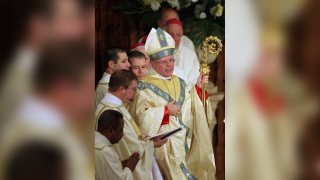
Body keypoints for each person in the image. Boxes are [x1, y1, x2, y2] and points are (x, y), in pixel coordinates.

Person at [129, 27, 216, 180]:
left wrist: (198, 89)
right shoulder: (143, 87)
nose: (169, 65)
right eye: (164, 62)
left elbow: (190, 111)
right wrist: (165, 111)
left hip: (184, 147)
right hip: (161, 151)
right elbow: (139, 118)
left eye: (171, 60)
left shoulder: (181, 83)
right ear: (153, 64)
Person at [95, 69, 168, 180]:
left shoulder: (112, 105)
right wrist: (151, 144)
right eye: (134, 89)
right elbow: (129, 147)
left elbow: (129, 139)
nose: (136, 92)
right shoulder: (112, 111)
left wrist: (146, 141)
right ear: (122, 89)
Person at [95, 109, 140, 180]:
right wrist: (129, 168)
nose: (122, 133)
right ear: (111, 130)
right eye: (121, 130)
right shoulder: (105, 152)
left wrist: (120, 166)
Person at [163, 18, 200, 90]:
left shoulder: (190, 55)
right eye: (170, 34)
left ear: (181, 36)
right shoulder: (155, 53)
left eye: (177, 35)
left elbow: (196, 81)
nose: (173, 39)